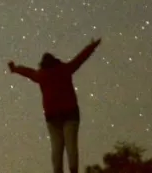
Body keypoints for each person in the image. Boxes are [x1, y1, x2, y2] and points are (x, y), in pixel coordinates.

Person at [8, 37, 102, 173]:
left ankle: (59, 171)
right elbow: (81, 58)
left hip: (53, 117)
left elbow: (27, 71)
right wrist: (92, 46)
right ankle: (73, 170)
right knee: (71, 146)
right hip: (69, 114)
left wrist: (15, 69)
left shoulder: (41, 75)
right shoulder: (64, 69)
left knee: (57, 149)